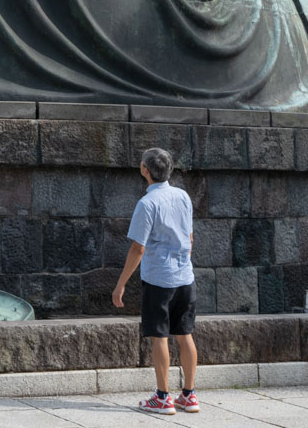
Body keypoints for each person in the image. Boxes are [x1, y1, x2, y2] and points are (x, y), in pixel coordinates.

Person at [112, 147, 199, 415]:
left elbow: (139, 248)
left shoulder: (147, 204)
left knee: (159, 335)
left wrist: (121, 283)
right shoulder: (183, 196)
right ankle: (189, 395)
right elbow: (190, 238)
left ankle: (163, 397)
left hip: (159, 278)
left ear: (144, 170)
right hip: (185, 276)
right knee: (185, 334)